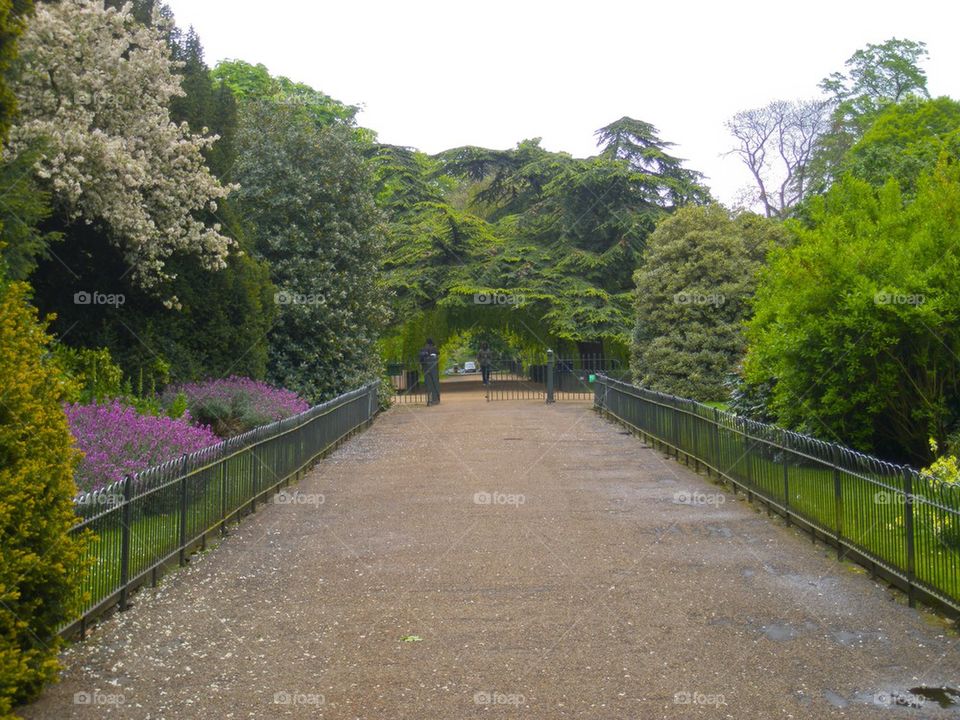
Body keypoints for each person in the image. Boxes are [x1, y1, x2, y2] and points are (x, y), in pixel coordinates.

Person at [419, 338, 439, 404]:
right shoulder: (434, 349)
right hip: (433, 368)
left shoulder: (423, 349)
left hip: (426, 367)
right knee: (434, 383)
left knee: (428, 383)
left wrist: (421, 365)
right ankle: (435, 398)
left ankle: (429, 399)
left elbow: (421, 359)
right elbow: (438, 354)